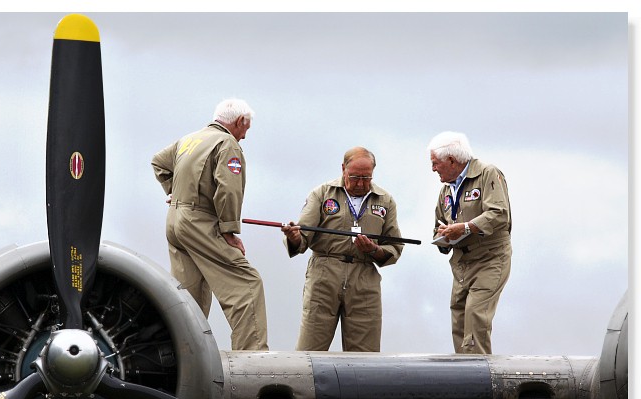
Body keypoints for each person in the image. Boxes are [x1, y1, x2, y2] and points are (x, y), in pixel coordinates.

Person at [151, 98, 268, 351]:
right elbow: (229, 189)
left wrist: (175, 192)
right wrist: (229, 231)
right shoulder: (227, 143)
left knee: (188, 297)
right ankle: (252, 357)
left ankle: (181, 356)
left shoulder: (189, 139)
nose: (244, 136)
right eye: (246, 128)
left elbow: (159, 162)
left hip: (175, 220)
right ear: (239, 121)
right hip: (199, 222)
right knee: (247, 284)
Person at [281, 147, 403, 352]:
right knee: (310, 349)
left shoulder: (385, 200)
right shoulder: (322, 193)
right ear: (343, 169)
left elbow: (395, 246)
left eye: (366, 178)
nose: (361, 183)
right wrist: (294, 237)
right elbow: (302, 237)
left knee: (365, 355)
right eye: (355, 177)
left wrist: (373, 250)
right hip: (325, 273)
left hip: (364, 277)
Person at [429, 131, 512, 354]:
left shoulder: (487, 174)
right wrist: (443, 237)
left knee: (475, 318)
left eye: (435, 163)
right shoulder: (446, 190)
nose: (433, 169)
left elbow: (499, 214)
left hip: (490, 259)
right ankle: (463, 371)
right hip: (461, 264)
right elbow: (438, 225)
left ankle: (480, 373)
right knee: (459, 320)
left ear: (451, 160)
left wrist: (465, 228)